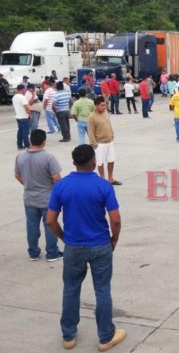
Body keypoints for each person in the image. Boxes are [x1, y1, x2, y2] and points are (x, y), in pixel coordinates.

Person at [46, 144, 126, 351]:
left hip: (73, 246)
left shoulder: (61, 186)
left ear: (74, 162)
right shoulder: (103, 185)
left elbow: (50, 220)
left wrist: (64, 237)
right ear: (93, 162)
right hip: (99, 244)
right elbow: (115, 219)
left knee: (71, 289)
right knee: (102, 290)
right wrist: (114, 239)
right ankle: (105, 336)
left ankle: (69, 336)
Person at [15, 129, 62, 261]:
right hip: (47, 199)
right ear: (44, 142)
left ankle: (33, 252)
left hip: (29, 198)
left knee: (31, 226)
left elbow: (17, 175)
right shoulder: (48, 157)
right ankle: (52, 253)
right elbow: (57, 179)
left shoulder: (20, 156)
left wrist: (27, 185)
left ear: (30, 140)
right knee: (50, 225)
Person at [88, 96, 121, 185]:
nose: (104, 107)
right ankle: (102, 179)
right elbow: (91, 132)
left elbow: (108, 124)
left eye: (105, 105)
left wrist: (112, 134)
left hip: (109, 141)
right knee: (100, 162)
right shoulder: (92, 117)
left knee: (111, 160)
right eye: (102, 105)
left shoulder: (105, 112)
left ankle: (110, 178)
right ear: (96, 106)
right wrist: (94, 144)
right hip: (100, 144)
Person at [13, 84, 31, 149]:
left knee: (20, 131)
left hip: (18, 116)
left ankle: (19, 144)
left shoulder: (14, 97)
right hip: (24, 117)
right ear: (22, 89)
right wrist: (30, 114)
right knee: (25, 132)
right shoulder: (22, 97)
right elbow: (26, 107)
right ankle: (27, 145)